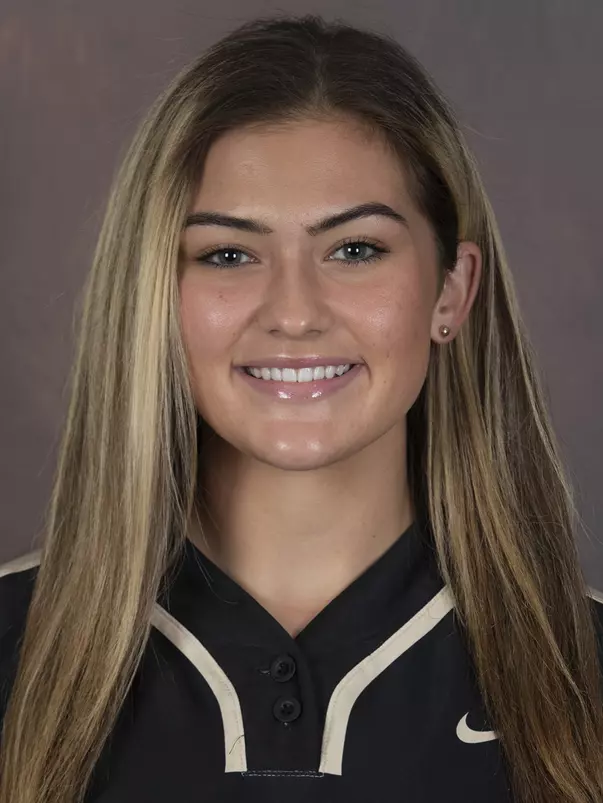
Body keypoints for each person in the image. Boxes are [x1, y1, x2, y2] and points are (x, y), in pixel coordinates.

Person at [0, 12, 601, 803]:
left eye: (354, 250)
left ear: (450, 291)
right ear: (153, 293)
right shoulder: (16, 643)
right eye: (228, 253)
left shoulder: (582, 665)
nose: (292, 310)